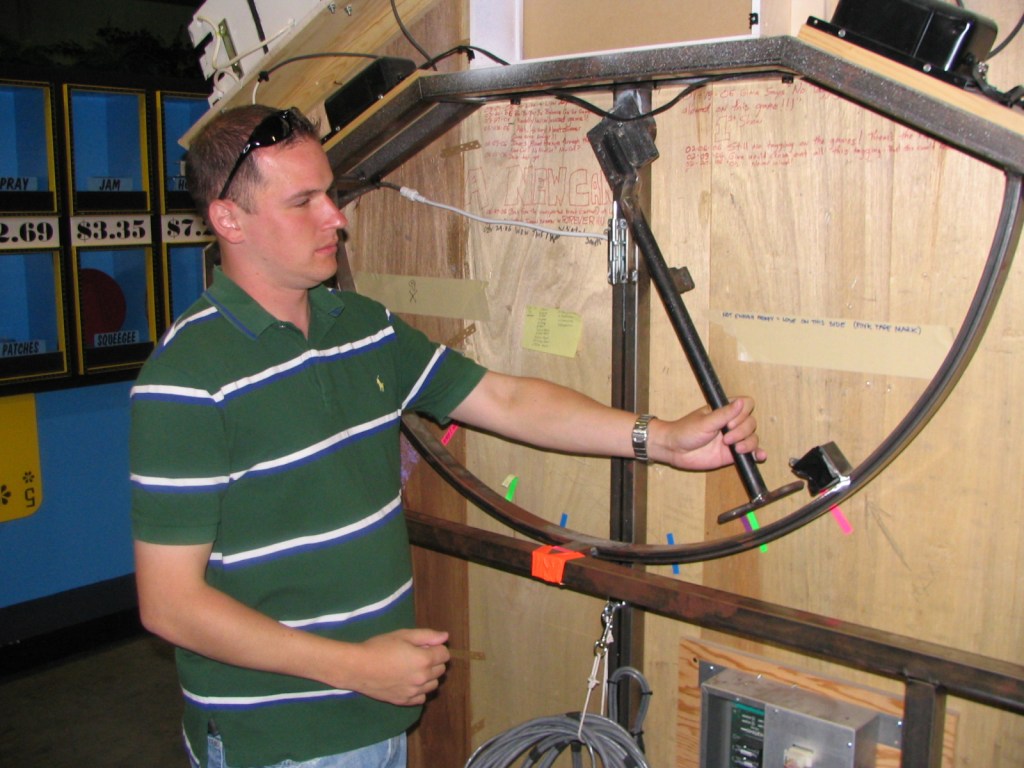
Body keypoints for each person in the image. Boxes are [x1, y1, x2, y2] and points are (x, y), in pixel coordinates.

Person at [129, 105, 767, 768]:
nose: (336, 218)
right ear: (228, 218)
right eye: (304, 202)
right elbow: (170, 605)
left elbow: (505, 398)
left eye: (332, 193)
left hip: (375, 715)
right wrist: (354, 667)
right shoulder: (186, 381)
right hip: (281, 742)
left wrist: (660, 439)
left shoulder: (362, 328)